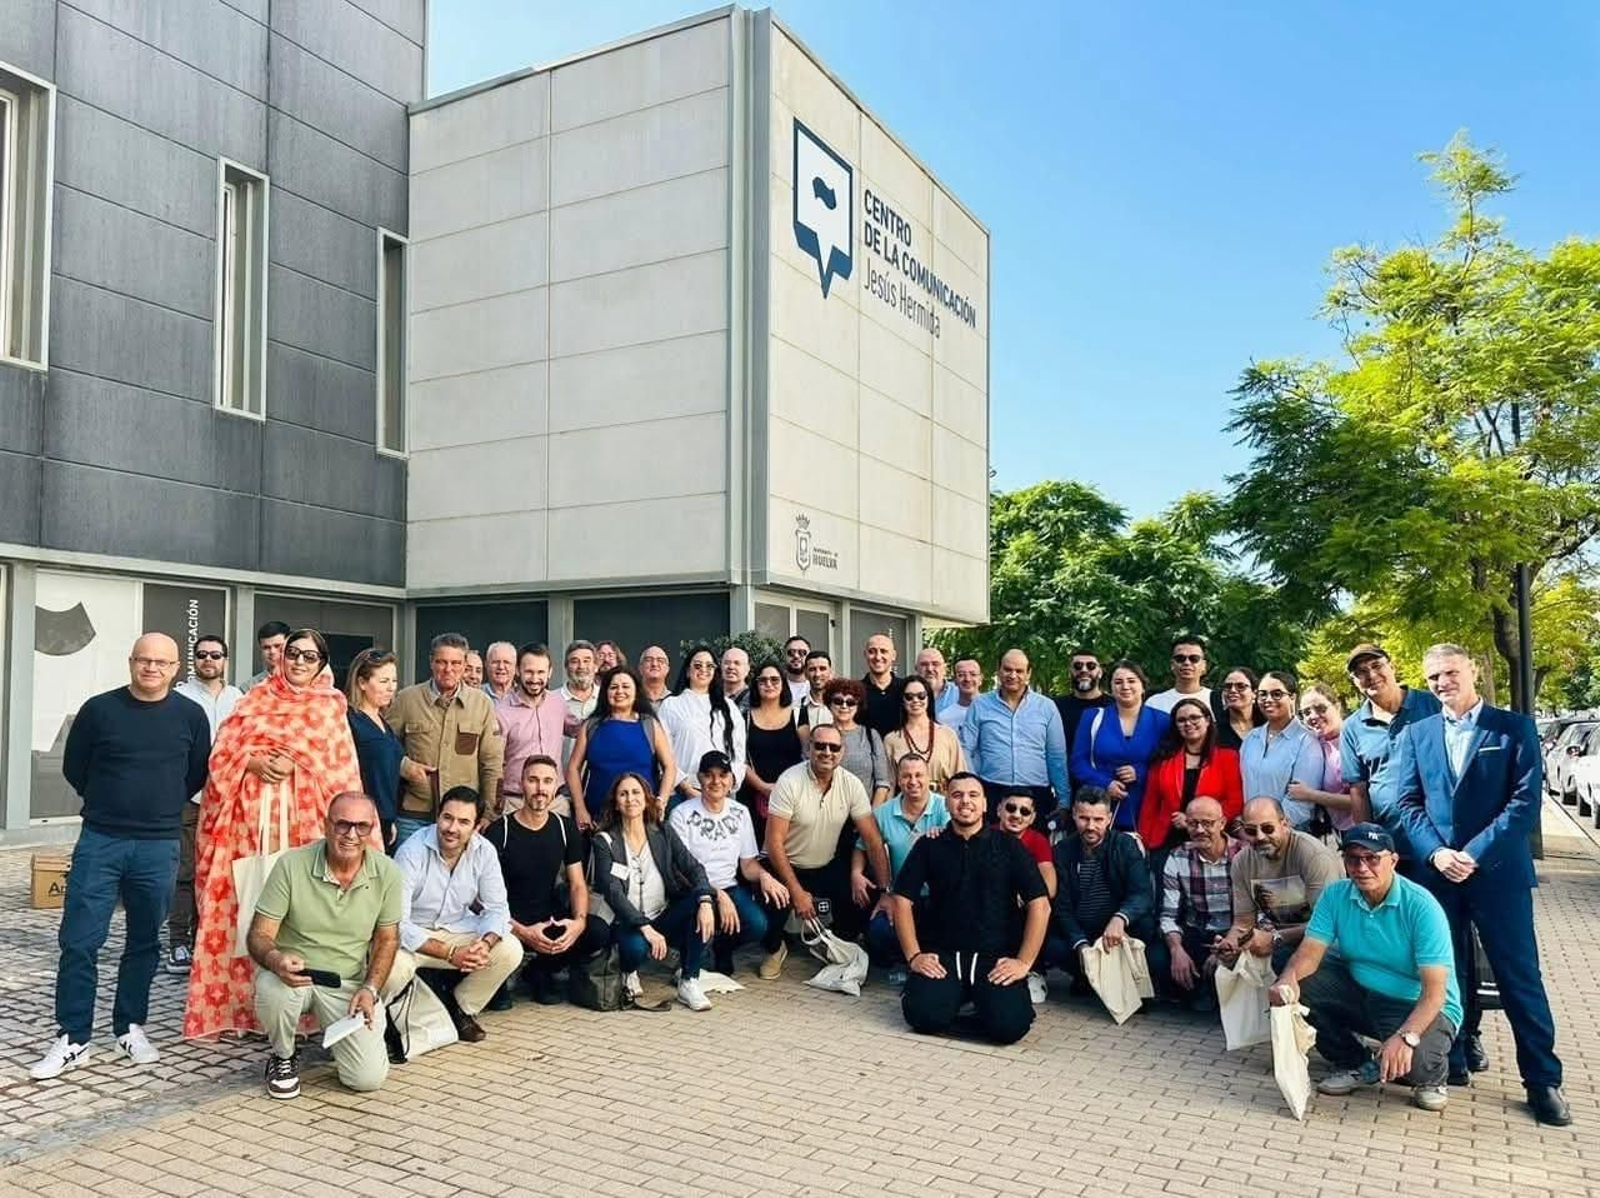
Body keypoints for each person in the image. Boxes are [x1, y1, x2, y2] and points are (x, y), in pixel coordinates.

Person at [1390, 643, 1569, 1125]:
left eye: (1450, 673)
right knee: (1447, 973)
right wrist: (1437, 852)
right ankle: (1454, 1057)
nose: (1443, 683)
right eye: (1433, 678)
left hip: (1497, 874)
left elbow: (1525, 802)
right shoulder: (1418, 733)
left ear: (1472, 672)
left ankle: (1542, 1079)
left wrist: (1473, 854)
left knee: (1518, 977)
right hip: (1440, 874)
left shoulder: (1514, 728)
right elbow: (1408, 803)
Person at [30, 634, 211, 1081]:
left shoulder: (190, 715)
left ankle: (128, 1025)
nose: (151, 668)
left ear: (175, 669)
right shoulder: (99, 710)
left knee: (145, 941)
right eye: (144, 660)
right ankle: (73, 1037)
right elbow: (76, 767)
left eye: (162, 662)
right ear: (130, 662)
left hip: (159, 844)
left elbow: (195, 772)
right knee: (79, 940)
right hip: (101, 840)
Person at [183, 628, 365, 1041]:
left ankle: (302, 1012)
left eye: (310, 656)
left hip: (305, 831)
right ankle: (241, 1009)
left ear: (322, 664)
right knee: (246, 910)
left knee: (303, 914)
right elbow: (221, 755)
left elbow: (341, 771)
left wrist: (298, 766)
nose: (300, 662)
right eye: (293, 653)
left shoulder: (330, 707)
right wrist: (252, 763)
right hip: (250, 831)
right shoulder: (255, 699)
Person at [1268, 824, 1461, 1114]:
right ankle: (1355, 1062)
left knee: (1414, 1067)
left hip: (1417, 1003)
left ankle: (1432, 1079)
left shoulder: (1422, 907)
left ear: (1393, 861)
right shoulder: (1336, 895)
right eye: (1353, 858)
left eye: (1372, 858)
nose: (1362, 867)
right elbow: (1308, 954)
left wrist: (1406, 1037)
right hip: (1363, 990)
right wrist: (1286, 983)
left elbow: (1435, 994)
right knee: (1292, 970)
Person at [247, 793, 402, 1100]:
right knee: (272, 989)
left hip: (347, 982)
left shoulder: (388, 872)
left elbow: (388, 939)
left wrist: (370, 989)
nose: (351, 835)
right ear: (326, 825)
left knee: (366, 1079)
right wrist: (276, 959)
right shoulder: (291, 864)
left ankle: (343, 1044)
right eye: (342, 824)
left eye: (361, 826)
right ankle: (283, 1055)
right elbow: (258, 936)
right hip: (295, 975)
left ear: (373, 830)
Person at [893, 773, 1048, 1046]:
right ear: (946, 802)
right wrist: (914, 956)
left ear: (986, 804)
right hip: (944, 956)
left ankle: (981, 1003)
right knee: (923, 1017)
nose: (965, 801)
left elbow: (1040, 904)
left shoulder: (1009, 847)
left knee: (1010, 1028)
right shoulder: (930, 845)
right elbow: (902, 900)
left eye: (973, 795)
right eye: (957, 795)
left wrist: (1024, 962)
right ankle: (954, 999)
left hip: (994, 958)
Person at [387, 787, 523, 1043]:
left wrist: (485, 943)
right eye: (447, 818)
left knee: (510, 949)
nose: (452, 828)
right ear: (437, 817)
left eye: (463, 822)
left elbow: (497, 909)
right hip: (414, 934)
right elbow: (398, 924)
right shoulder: (412, 851)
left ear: (475, 826)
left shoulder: (484, 852)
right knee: (394, 967)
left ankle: (460, 1009)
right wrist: (450, 954)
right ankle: (386, 1020)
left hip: (456, 930)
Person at [760, 726, 893, 977]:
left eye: (834, 747)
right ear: (809, 748)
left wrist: (886, 891)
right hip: (784, 864)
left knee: (861, 897)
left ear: (842, 752)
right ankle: (775, 948)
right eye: (820, 746)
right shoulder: (789, 781)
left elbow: (873, 841)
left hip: (824, 864)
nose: (827, 752)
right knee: (771, 910)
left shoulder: (851, 784)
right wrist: (796, 892)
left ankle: (834, 941)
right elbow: (774, 843)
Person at [482, 756, 608, 1005]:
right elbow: (481, 899)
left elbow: (577, 884)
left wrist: (579, 923)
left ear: (556, 787)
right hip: (506, 922)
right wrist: (522, 931)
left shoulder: (564, 828)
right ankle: (499, 977)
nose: (540, 789)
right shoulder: (500, 831)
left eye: (547, 781)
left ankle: (541, 971)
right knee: (500, 1005)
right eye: (533, 780)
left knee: (597, 931)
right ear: (521, 784)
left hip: (547, 916)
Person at [592, 774, 718, 1011]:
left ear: (647, 798)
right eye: (624, 794)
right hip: (626, 922)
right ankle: (628, 971)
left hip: (661, 914)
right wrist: (645, 928)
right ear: (616, 802)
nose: (631, 799)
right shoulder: (605, 840)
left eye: (636, 792)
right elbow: (613, 891)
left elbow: (693, 867)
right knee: (636, 949)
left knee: (702, 904)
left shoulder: (662, 831)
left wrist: (705, 901)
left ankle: (689, 981)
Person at [669, 752, 792, 976]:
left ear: (732, 780)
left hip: (729, 886)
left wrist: (765, 876)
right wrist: (716, 894)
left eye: (723, 775)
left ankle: (721, 948)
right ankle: (690, 952)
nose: (716, 781)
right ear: (699, 778)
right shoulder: (681, 814)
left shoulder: (740, 812)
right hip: (692, 890)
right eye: (709, 775)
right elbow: (679, 871)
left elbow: (747, 865)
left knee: (757, 924)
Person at [168, 633, 243, 974]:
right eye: (202, 655)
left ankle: (206, 938)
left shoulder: (238, 698)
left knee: (217, 872)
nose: (208, 660)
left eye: (215, 655)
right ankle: (178, 942)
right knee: (185, 870)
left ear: (225, 660)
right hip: (192, 797)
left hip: (228, 799)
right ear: (193, 660)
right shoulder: (180, 697)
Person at [388, 633, 505, 841]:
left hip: (462, 817)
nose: (448, 669)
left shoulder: (482, 704)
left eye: (455, 663)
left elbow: (492, 763)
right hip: (414, 814)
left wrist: (490, 813)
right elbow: (384, 749)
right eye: (441, 662)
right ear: (431, 662)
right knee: (407, 873)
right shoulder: (406, 699)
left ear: (464, 665)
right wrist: (405, 767)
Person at [1215, 797, 1342, 973]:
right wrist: (1231, 944)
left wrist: (1276, 939)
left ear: (1285, 824)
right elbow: (1243, 924)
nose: (1260, 837)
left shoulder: (1313, 855)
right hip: (1280, 940)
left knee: (1282, 963)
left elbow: (1328, 924)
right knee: (1224, 969)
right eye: (1251, 831)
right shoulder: (1242, 862)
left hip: (1325, 942)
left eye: (1268, 828)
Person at [1340, 643, 1441, 859]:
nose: (1371, 675)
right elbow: (1358, 789)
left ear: (1392, 666)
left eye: (1377, 665)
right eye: (1361, 672)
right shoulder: (1352, 727)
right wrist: (1368, 842)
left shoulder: (1433, 705)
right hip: (1391, 844)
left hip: (1441, 838)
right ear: (1355, 682)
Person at [1049, 787, 1158, 983]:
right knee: (1052, 944)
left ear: (1108, 818)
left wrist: (1120, 918)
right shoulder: (1062, 850)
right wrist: (1080, 944)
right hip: (1083, 929)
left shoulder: (1124, 844)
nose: (1091, 826)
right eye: (1084, 818)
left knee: (1146, 927)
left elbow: (1142, 893)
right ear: (1074, 814)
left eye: (1098, 820)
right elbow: (1062, 906)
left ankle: (1124, 979)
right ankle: (1085, 977)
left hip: (1117, 930)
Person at [855, 756, 950, 970]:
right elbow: (862, 847)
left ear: (929, 778)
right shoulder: (881, 813)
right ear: (898, 779)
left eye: (918, 775)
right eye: (906, 776)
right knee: (878, 932)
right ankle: (900, 961)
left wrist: (945, 834)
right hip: (897, 896)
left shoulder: (945, 808)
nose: (913, 781)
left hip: (941, 897)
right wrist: (856, 873)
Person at [961, 649, 1071, 821]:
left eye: (1019, 671)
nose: (1013, 675)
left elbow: (1056, 757)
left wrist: (1064, 801)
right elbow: (966, 748)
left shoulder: (1046, 707)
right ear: (998, 670)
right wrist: (975, 787)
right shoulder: (980, 705)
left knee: (1034, 846)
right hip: (992, 791)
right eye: (1007, 669)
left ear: (1028, 674)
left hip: (1036, 793)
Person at [567, 665, 675, 828]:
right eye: (614, 687)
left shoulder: (649, 725)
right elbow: (573, 768)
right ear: (605, 692)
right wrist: (580, 809)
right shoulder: (591, 726)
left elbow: (670, 767)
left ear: (636, 692)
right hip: (598, 818)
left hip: (643, 818)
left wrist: (661, 801)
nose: (619, 692)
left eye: (626, 686)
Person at [1158, 797, 1241, 1003]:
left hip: (1237, 933)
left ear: (1222, 823)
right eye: (1193, 823)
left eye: (1207, 823)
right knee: (1157, 958)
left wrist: (1229, 945)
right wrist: (1177, 950)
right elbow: (1168, 915)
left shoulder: (1244, 854)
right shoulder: (1177, 857)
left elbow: (1257, 914)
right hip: (1197, 933)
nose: (1200, 830)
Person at [1069, 660, 1167, 833]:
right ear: (1110, 688)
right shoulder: (1092, 717)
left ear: (1143, 686)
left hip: (1147, 808)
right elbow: (1078, 762)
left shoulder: (1163, 721)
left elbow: (1170, 764)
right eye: (1118, 682)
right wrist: (1105, 784)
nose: (1125, 686)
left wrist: (1141, 771)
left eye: (1131, 681)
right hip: (1100, 809)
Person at [1137, 697, 1243, 853]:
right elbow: (1149, 805)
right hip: (1166, 839)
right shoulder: (1163, 759)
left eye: (1194, 717)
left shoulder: (1228, 757)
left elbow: (1235, 801)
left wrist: (1193, 822)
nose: (1188, 723)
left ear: (1207, 720)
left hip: (1210, 838)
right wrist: (1144, 842)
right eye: (1181, 720)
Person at [659, 646, 747, 799]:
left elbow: (739, 753)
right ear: (687, 671)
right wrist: (686, 788)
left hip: (722, 792)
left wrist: (726, 785)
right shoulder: (671, 705)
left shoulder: (729, 707)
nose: (704, 670)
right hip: (682, 792)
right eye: (698, 665)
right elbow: (664, 752)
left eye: (710, 666)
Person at [1240, 671, 1325, 830]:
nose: (1268, 700)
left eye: (1277, 694)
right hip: (1250, 832)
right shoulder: (1251, 739)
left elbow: (1301, 804)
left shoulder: (1307, 742)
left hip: (1289, 832)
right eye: (1263, 694)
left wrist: (1268, 829)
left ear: (1292, 697)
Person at [495, 643, 567, 818]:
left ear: (550, 672)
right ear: (518, 671)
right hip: (516, 802)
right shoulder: (500, 711)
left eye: (541, 672)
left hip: (555, 802)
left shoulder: (558, 703)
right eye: (529, 672)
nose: (535, 678)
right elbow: (493, 762)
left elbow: (583, 730)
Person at [739, 661, 805, 844]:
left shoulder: (799, 714)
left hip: (794, 797)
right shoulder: (743, 717)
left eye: (775, 680)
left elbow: (808, 756)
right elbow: (738, 759)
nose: (769, 684)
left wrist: (784, 790)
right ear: (756, 685)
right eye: (763, 680)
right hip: (753, 796)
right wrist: (762, 786)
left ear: (783, 683)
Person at [345, 648, 403, 851]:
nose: (391, 688)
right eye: (383, 681)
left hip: (385, 817)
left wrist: (390, 819)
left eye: (394, 681)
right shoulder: (350, 720)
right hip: (360, 819)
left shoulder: (383, 722)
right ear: (362, 682)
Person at [1291, 683, 1362, 833]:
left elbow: (1361, 801)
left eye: (1320, 708)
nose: (1313, 716)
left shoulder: (1356, 741)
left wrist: (1310, 795)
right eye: (1306, 712)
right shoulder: (1316, 743)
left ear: (1337, 706)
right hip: (1338, 831)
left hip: (1363, 829)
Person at [884, 676, 967, 793]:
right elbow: (890, 783)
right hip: (906, 804)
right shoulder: (892, 739)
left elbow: (960, 777)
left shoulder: (947, 734)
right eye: (909, 697)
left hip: (942, 804)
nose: (915, 700)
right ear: (902, 700)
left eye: (921, 696)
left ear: (929, 698)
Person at [822, 678, 890, 806]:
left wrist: (870, 817)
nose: (844, 706)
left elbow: (882, 782)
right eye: (838, 701)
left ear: (858, 706)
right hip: (827, 814)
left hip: (864, 813)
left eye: (850, 702)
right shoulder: (821, 735)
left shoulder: (871, 735)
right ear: (829, 703)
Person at [1054, 651, 1112, 791]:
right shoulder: (1054, 707)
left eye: (1091, 666)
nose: (1084, 670)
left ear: (1100, 672)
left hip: (1104, 785)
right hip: (1063, 786)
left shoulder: (1114, 707)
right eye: (1078, 666)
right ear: (1070, 672)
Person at [555, 640, 600, 772]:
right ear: (566, 667)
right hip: (557, 784)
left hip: (597, 781)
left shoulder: (608, 700)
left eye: (587, 661)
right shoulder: (552, 700)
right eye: (574, 661)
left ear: (596, 666)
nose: (581, 666)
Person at [1147, 636, 1213, 715]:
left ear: (1204, 665)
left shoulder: (1217, 701)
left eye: (1194, 658)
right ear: (1172, 664)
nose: (1187, 663)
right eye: (1180, 658)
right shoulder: (1155, 703)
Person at [860, 633, 907, 738]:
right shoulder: (856, 691)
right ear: (865, 654)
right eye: (872, 651)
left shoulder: (906, 689)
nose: (878, 657)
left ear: (894, 655)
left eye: (883, 651)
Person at [1215, 666, 1265, 751]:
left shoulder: (1269, 724)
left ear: (1254, 693)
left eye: (1241, 686)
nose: (1233, 690)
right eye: (1228, 686)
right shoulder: (1214, 730)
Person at [914, 647, 961, 719]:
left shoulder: (960, 694)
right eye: (924, 664)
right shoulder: (906, 694)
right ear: (916, 668)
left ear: (945, 669)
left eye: (935, 664)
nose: (929, 669)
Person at [794, 649, 834, 730]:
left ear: (831, 672)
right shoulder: (796, 708)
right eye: (812, 669)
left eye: (822, 669)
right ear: (805, 674)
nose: (817, 674)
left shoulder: (842, 706)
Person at [245, 620, 290, 690]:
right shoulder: (249, 687)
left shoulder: (304, 680)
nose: (272, 651)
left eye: (277, 646)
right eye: (266, 647)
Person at [949, 658, 984, 726]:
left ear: (980, 679)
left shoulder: (994, 710)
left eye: (973, 674)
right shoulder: (944, 718)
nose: (967, 679)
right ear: (955, 680)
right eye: (961, 675)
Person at [720, 645, 752, 713]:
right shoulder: (710, 696)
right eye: (727, 663)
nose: (731, 667)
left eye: (737, 663)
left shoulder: (754, 699)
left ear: (747, 669)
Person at [782, 635, 812, 701]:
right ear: (784, 656)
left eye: (802, 652)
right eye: (791, 652)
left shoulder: (816, 687)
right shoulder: (775, 686)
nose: (796, 656)